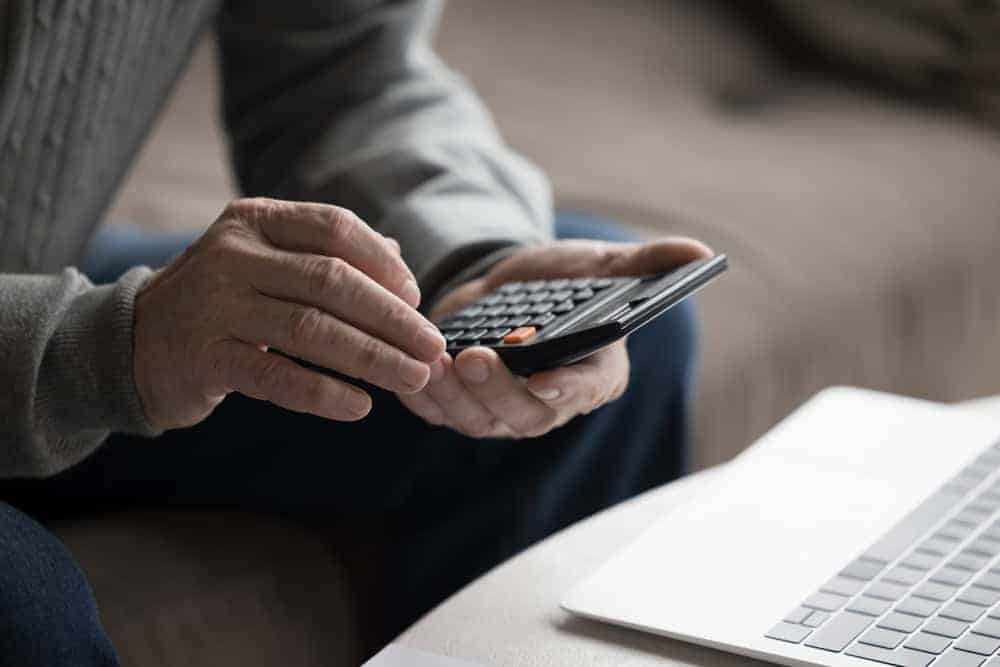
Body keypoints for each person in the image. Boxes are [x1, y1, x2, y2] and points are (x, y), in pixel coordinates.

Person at [0, 1, 711, 664]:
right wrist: (99, 346)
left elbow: (344, 66)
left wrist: (472, 252)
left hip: (42, 261)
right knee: (27, 602)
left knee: (617, 349)